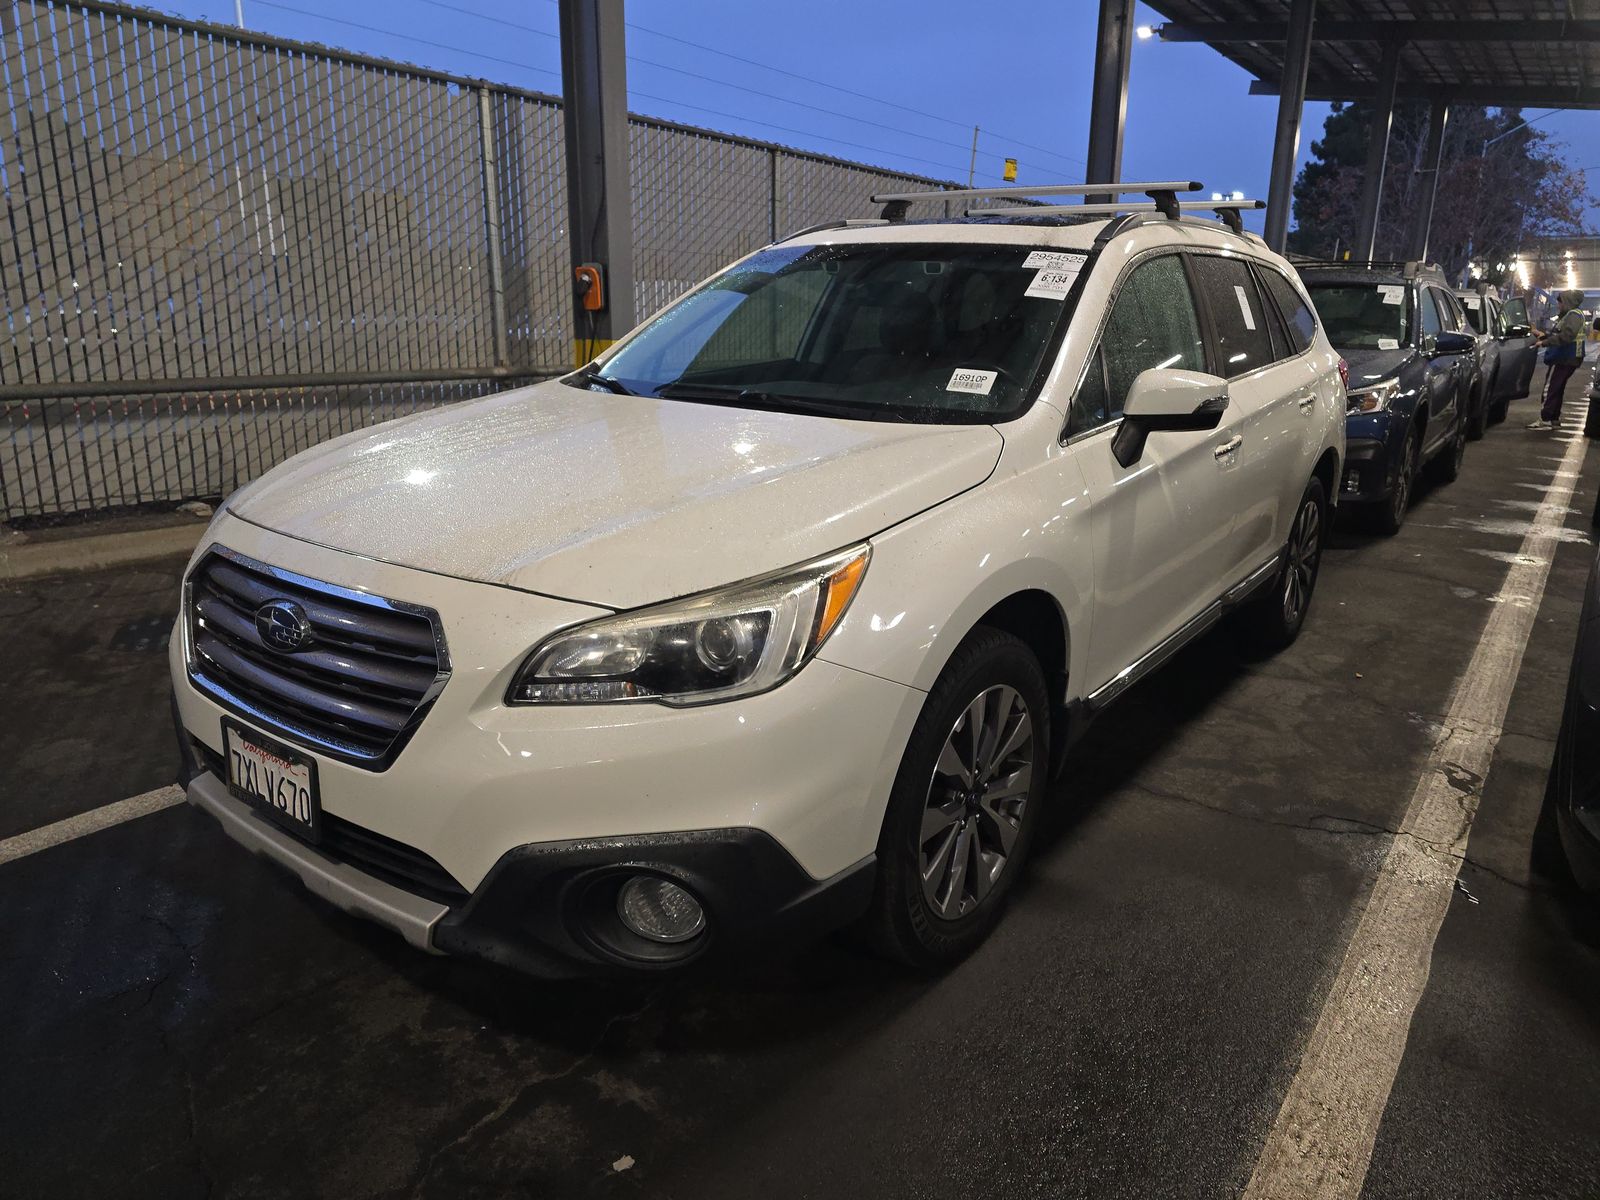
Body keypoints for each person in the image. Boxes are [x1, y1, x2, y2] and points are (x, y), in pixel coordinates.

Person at [1528, 289, 1588, 430]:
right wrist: (1542, 336)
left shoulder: (1573, 315)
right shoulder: (1571, 315)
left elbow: (1566, 336)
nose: (1559, 305)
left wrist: (1544, 343)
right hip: (1568, 357)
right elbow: (1558, 333)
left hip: (1566, 357)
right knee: (1557, 387)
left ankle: (1545, 418)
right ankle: (1553, 418)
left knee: (1551, 387)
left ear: (1567, 302)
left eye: (1560, 302)